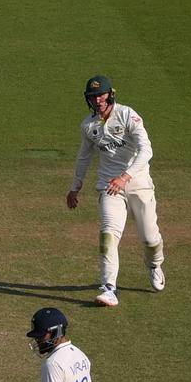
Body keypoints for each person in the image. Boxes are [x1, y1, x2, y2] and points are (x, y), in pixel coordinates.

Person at [67, 75, 165, 306]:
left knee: (150, 238)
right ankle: (109, 288)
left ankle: (154, 265)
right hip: (109, 186)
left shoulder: (127, 115)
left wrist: (125, 176)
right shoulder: (88, 126)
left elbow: (146, 150)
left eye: (101, 95)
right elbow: (83, 157)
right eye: (93, 97)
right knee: (108, 235)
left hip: (138, 182)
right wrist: (75, 188)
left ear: (110, 94)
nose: (97, 100)